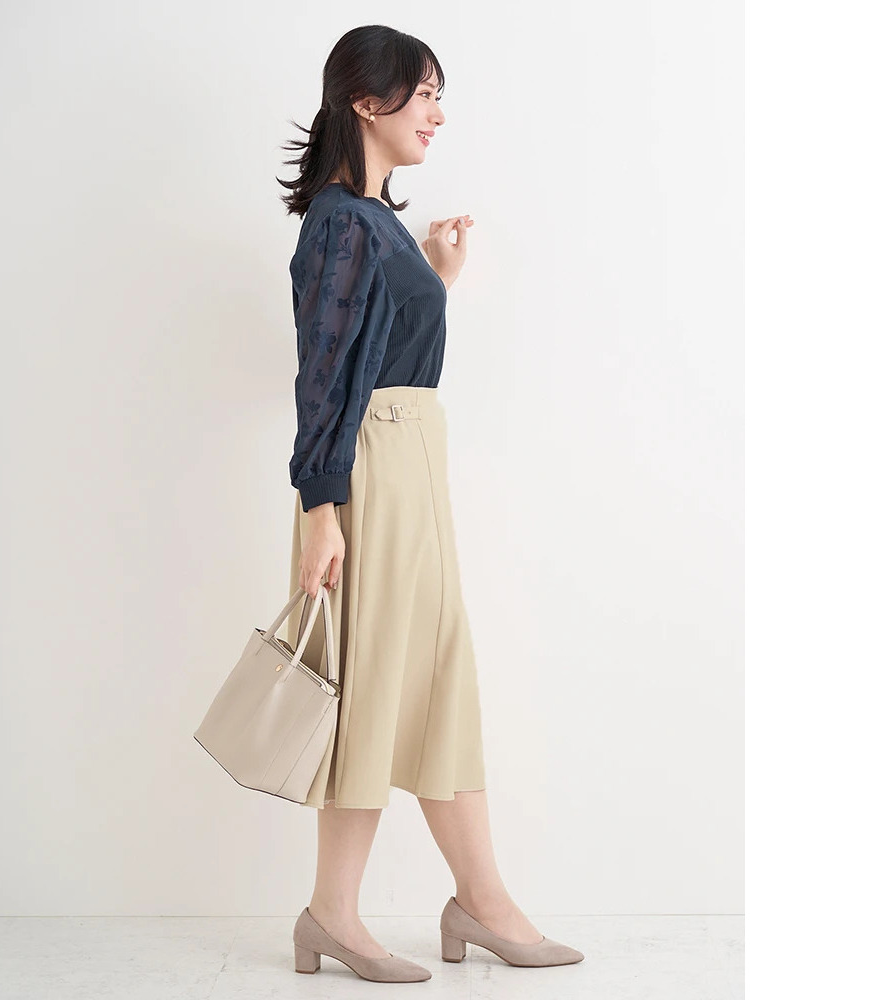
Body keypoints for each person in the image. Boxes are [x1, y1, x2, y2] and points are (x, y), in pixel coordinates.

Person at [277, 25, 585, 984]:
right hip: (369, 470)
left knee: (434, 678)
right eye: (424, 95)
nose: (438, 115)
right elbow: (324, 375)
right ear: (366, 102)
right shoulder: (340, 221)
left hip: (409, 461)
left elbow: (380, 344)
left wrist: (436, 281)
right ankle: (343, 912)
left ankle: (471, 901)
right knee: (373, 685)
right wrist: (322, 508)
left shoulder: (370, 222)